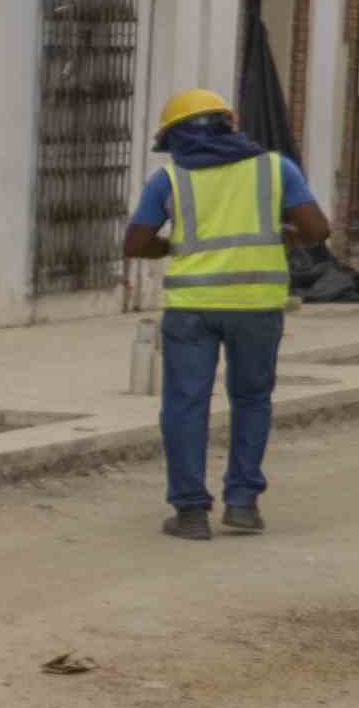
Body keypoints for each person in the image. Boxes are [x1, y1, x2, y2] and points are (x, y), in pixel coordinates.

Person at [122, 85, 331, 542]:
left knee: (186, 404)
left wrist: (175, 245)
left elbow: (135, 244)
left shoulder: (170, 179)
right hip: (257, 307)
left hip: (191, 309)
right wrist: (281, 237)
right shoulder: (276, 169)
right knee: (252, 400)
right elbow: (318, 229)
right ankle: (242, 503)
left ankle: (191, 513)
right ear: (230, 127)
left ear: (174, 138)